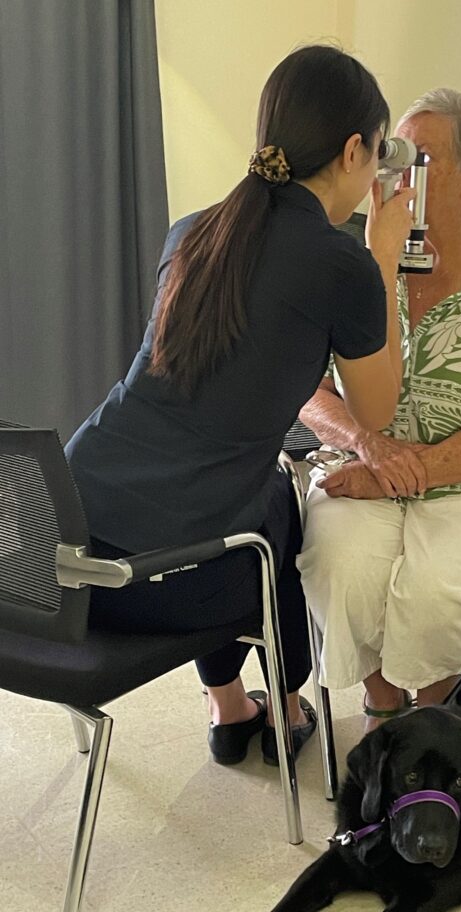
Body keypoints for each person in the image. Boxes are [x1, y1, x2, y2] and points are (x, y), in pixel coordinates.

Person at [64, 45, 414, 765]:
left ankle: (229, 707)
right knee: (277, 513)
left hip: (58, 556)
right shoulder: (341, 263)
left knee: (253, 498)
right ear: (355, 150)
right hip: (150, 587)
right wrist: (382, 254)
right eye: (379, 152)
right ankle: (284, 709)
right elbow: (377, 411)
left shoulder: (193, 231)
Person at [297, 88, 461, 728]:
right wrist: (368, 447)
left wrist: (394, 475)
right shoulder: (350, 265)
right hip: (362, 461)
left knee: (434, 587)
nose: (396, 174)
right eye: (393, 154)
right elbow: (310, 392)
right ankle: (384, 708)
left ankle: (435, 726)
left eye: (422, 160)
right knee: (341, 565)